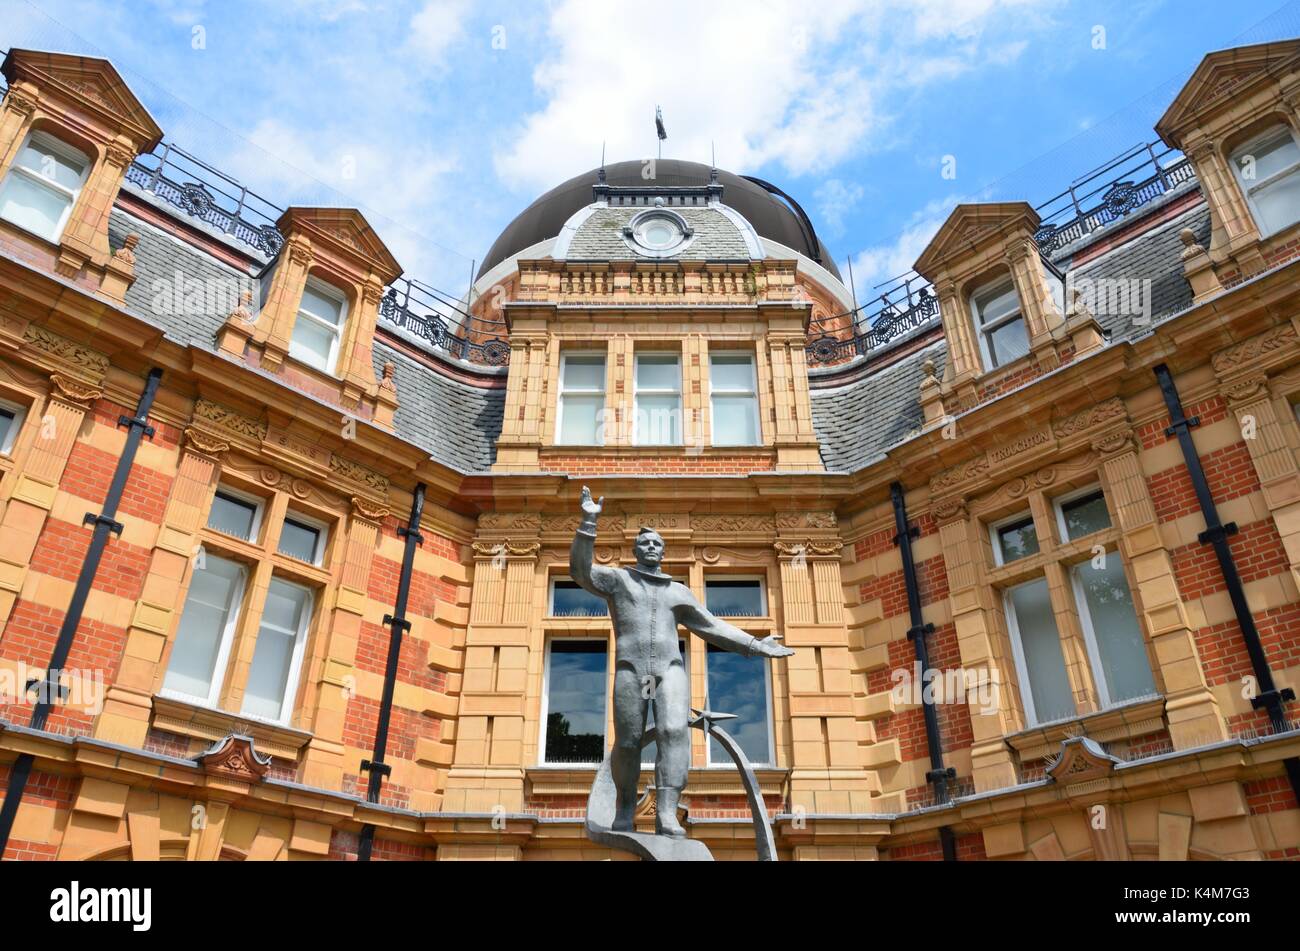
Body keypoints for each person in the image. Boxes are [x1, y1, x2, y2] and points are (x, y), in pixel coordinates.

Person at [570, 486, 794, 837]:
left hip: (668, 672)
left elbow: (712, 626)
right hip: (632, 669)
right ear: (635, 549)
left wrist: (755, 644)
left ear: (663, 551)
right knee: (628, 742)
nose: (651, 547)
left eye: (657, 544)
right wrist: (588, 522)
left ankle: (667, 813)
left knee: (673, 733)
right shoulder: (618, 580)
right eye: (645, 543)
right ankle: (625, 804)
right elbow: (582, 572)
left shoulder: (677, 591)